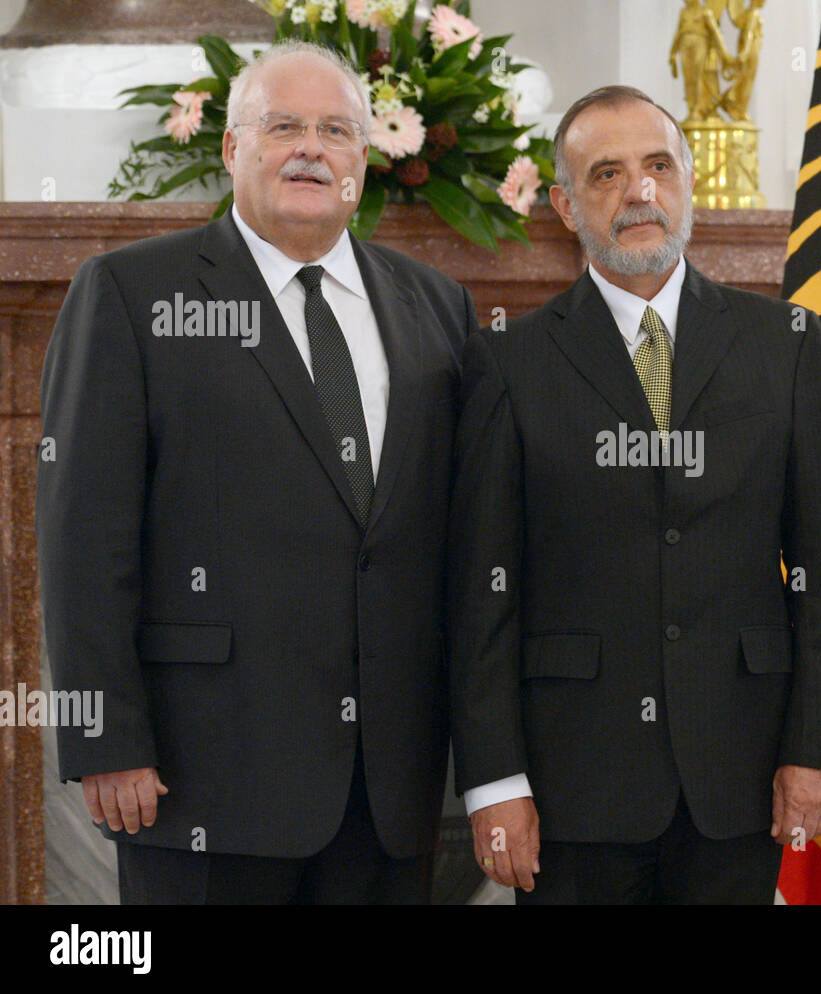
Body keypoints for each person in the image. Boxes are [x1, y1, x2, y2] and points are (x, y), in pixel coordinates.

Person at [36, 40, 476, 904]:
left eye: (335, 130)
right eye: (283, 126)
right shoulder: (130, 292)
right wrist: (107, 737)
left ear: (364, 160)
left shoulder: (437, 304)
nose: (310, 147)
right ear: (233, 149)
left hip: (386, 788)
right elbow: (83, 535)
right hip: (201, 776)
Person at [447, 85, 821, 904]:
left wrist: (816, 749)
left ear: (688, 182)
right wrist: (494, 782)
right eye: (607, 174)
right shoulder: (507, 361)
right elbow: (480, 593)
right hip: (571, 784)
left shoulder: (783, 344)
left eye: (658, 166)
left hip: (738, 778)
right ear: (565, 205)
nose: (640, 192)